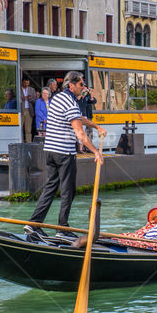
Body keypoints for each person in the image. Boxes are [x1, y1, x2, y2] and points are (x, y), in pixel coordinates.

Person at [25, 71, 107, 240]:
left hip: (50, 151)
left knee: (50, 187)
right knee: (68, 190)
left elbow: (79, 118)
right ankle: (62, 228)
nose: (83, 87)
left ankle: (34, 224)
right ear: (71, 85)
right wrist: (96, 152)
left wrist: (96, 126)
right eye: (81, 84)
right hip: (64, 152)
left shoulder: (58, 98)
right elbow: (80, 133)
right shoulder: (71, 103)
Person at [20, 78, 35, 142]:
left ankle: (29, 143)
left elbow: (34, 100)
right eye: (25, 83)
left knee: (28, 130)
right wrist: (22, 98)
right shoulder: (18, 89)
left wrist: (30, 99)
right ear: (22, 82)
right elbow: (16, 99)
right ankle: (19, 142)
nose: (26, 85)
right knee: (19, 128)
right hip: (21, 111)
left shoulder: (32, 90)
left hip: (29, 111)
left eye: (27, 83)